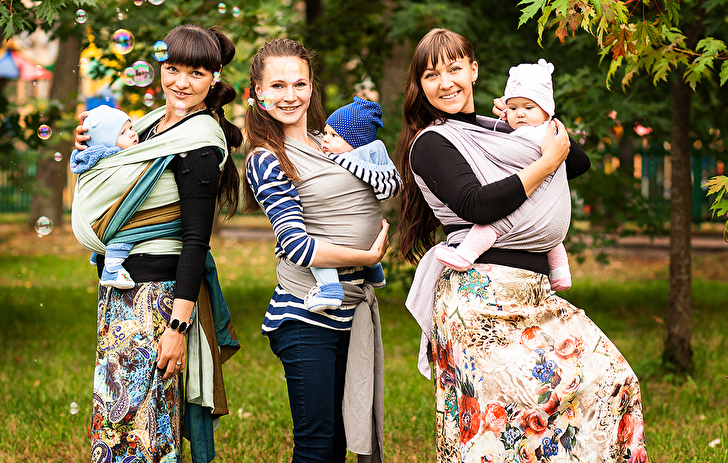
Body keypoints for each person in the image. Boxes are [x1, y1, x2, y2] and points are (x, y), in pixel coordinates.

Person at [395, 28, 646, 462]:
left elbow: (577, 161)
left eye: (454, 69)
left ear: (474, 71)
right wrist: (545, 161)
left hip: (534, 292)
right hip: (479, 300)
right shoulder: (431, 142)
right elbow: (477, 204)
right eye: (431, 75)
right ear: (420, 84)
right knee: (497, 435)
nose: (446, 82)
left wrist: (535, 118)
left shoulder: (499, 131)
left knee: (610, 378)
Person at [72, 24, 242, 463]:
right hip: (120, 295)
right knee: (115, 426)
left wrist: (177, 329)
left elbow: (195, 241)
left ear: (214, 78)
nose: (181, 83)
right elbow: (115, 173)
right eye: (173, 69)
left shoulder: (198, 143)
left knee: (145, 432)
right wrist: (92, 147)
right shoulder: (148, 129)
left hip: (156, 303)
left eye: (196, 74)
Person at [243, 38, 389, 463]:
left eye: (300, 84)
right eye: (277, 86)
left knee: (343, 437)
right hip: (305, 317)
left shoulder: (329, 143)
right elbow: (296, 246)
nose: (290, 95)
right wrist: (366, 258)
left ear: (312, 87)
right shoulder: (266, 158)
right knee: (317, 446)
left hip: (351, 310)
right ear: (258, 92)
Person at [434, 59, 571, 291]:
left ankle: (464, 255)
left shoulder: (540, 135)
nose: (520, 114)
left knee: (491, 227)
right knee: (552, 239)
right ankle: (561, 274)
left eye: (529, 108)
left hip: (527, 207)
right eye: (514, 108)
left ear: (547, 111)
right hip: (538, 215)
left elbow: (573, 162)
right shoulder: (530, 132)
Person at [303, 95, 402, 312]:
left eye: (334, 135)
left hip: (345, 237)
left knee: (314, 242)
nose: (325, 140)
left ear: (355, 143)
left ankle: (330, 289)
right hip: (372, 236)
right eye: (325, 133)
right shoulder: (372, 164)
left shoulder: (340, 161)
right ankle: (373, 270)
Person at [69, 105, 141, 289]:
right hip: (114, 213)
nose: (132, 134)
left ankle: (99, 251)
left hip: (102, 213)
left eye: (131, 128)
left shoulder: (98, 155)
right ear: (108, 142)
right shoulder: (113, 157)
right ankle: (112, 267)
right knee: (130, 230)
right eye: (123, 133)